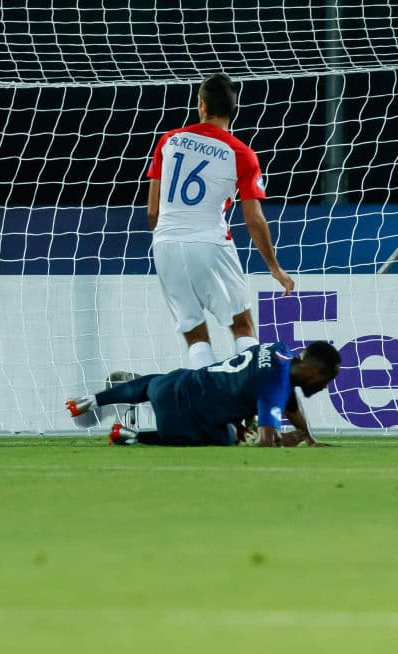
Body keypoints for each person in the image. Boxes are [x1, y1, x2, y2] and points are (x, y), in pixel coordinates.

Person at [146, 73, 295, 369]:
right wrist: (274, 267)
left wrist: (172, 237)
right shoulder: (242, 154)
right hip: (210, 243)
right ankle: (252, 405)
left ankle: (211, 410)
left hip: (164, 243)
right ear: (233, 110)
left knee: (195, 334)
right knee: (242, 325)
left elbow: (152, 211)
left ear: (202, 105)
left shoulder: (169, 140)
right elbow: (253, 218)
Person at [66, 341, 341, 447]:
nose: (325, 386)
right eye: (327, 380)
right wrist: (283, 440)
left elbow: (290, 402)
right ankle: (131, 436)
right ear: (314, 373)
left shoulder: (278, 350)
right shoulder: (273, 387)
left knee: (153, 383)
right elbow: (265, 443)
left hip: (171, 384)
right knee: (228, 439)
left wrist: (309, 436)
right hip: (183, 419)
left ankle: (92, 400)